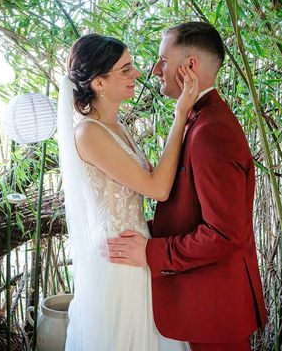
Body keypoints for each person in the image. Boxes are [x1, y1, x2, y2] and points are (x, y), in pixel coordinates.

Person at [107, 22, 267, 351]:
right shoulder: (198, 118)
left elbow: (224, 234)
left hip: (215, 310)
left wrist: (151, 252)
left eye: (163, 60)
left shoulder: (211, 131)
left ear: (189, 66)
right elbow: (189, 211)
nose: (153, 70)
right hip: (201, 302)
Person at [57, 33, 199, 351]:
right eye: (125, 69)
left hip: (137, 251)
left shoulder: (118, 127)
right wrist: (180, 115)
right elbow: (157, 188)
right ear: (98, 83)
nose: (136, 74)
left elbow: (153, 179)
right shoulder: (88, 134)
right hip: (117, 263)